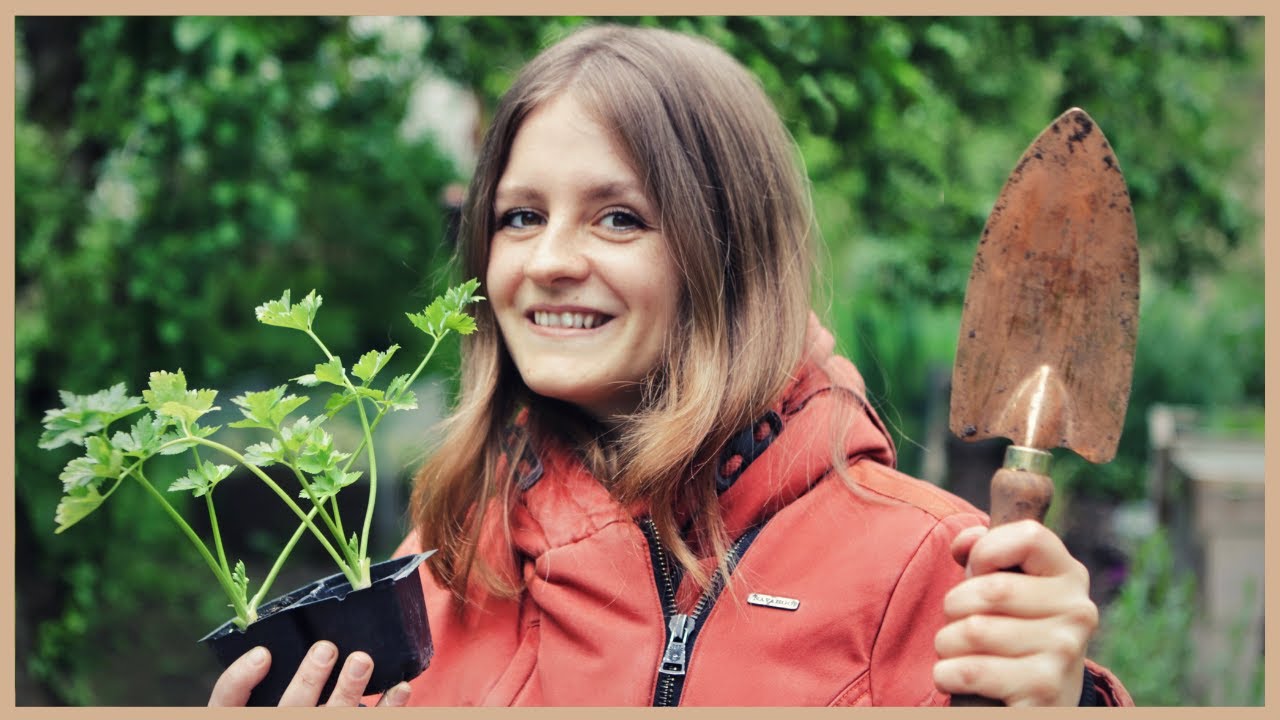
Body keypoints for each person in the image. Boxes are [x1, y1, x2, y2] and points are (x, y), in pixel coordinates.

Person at [210, 23, 1133, 707]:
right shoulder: (456, 545)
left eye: (619, 217)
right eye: (520, 216)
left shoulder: (935, 568)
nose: (548, 259)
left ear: (730, 255)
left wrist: (1064, 705)